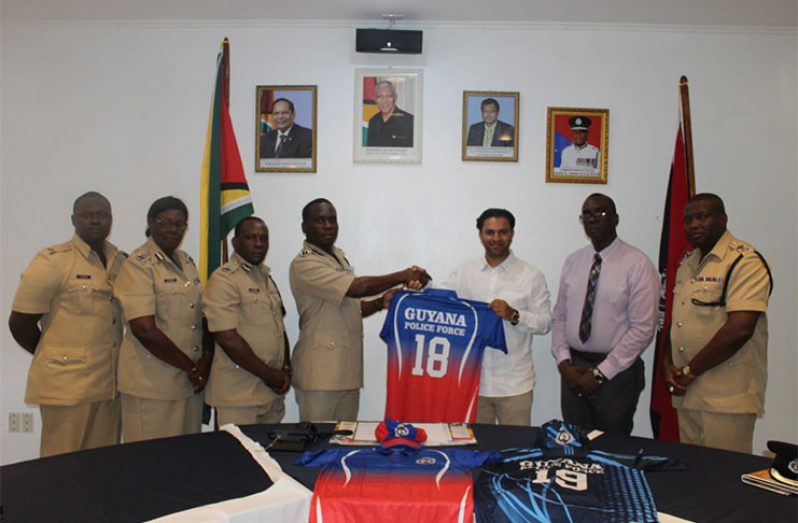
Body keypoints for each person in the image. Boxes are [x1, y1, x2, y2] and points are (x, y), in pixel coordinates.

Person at [289, 198, 431, 422]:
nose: (328, 226)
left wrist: (379, 303)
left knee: (344, 445)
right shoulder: (305, 264)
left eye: (332, 220)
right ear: (305, 227)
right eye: (320, 221)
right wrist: (403, 275)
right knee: (317, 447)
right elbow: (357, 288)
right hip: (320, 375)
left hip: (346, 372)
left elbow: (348, 306)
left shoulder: (337, 258)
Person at [8, 192, 126, 457]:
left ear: (111, 220)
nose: (95, 220)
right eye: (87, 215)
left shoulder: (120, 262)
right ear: (74, 220)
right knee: (61, 466)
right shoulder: (53, 260)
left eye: (103, 215)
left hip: (109, 385)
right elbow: (20, 323)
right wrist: (53, 356)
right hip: (67, 386)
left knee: (101, 464)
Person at [664, 193, 771, 453]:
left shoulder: (745, 262)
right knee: (695, 479)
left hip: (726, 398)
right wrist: (668, 366)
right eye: (688, 220)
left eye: (702, 217)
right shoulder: (689, 263)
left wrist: (689, 371)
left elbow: (740, 329)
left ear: (723, 219)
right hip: (688, 395)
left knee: (726, 483)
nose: (694, 225)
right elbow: (678, 321)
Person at [551, 193, 659, 434]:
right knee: (575, 450)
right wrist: (563, 362)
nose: (592, 219)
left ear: (616, 219)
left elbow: (643, 329)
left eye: (600, 212)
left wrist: (600, 374)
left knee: (612, 451)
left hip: (617, 374)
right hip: (573, 370)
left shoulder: (637, 263)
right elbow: (559, 317)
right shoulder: (573, 261)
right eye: (586, 214)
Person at [113, 196, 212, 443]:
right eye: (166, 222)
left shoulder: (186, 262)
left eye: (180, 224)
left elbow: (200, 315)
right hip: (152, 384)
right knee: (151, 464)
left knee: (184, 460)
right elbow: (143, 329)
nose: (173, 229)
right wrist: (190, 367)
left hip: (187, 385)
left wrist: (203, 362)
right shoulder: (139, 265)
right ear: (151, 223)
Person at [442, 208, 551, 425]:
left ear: (512, 234)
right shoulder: (464, 272)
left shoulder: (531, 275)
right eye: (490, 232)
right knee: (476, 451)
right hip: (472, 382)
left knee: (514, 450)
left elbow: (545, 322)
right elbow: (443, 303)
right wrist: (420, 285)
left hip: (514, 383)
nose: (496, 238)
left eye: (503, 232)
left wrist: (514, 315)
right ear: (480, 234)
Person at [203, 216, 291, 425]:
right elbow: (227, 338)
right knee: (236, 458)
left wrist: (286, 369)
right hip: (238, 396)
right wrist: (270, 375)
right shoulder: (224, 279)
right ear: (235, 243)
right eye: (250, 238)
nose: (258, 244)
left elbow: (279, 328)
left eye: (263, 238)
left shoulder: (266, 278)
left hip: (270, 394)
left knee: (268, 457)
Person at [366, 80, 414, 147]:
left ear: (395, 97)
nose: (384, 100)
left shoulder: (410, 121)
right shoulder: (373, 121)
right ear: (375, 100)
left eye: (388, 96)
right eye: (380, 96)